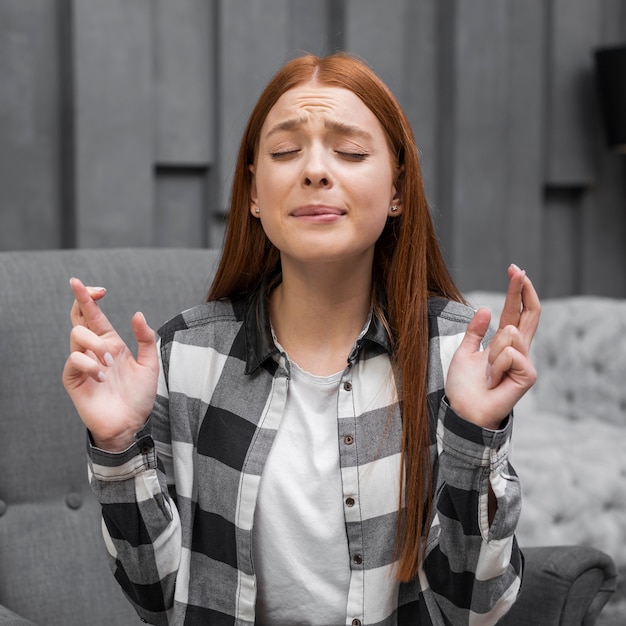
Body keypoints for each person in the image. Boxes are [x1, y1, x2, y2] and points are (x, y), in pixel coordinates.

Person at [63, 52, 540, 626]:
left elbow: (474, 610)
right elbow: (158, 602)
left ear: (397, 191)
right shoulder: (184, 356)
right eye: (286, 151)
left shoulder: (457, 356)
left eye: (351, 151)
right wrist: (116, 446)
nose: (315, 170)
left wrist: (473, 435)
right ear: (255, 194)